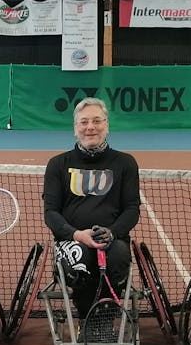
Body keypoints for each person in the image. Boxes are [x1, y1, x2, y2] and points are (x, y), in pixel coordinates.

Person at [43, 97, 141, 323]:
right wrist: (77, 235)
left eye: (97, 121)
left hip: (113, 239)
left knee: (117, 257)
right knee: (82, 259)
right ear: (75, 128)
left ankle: (105, 319)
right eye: (84, 122)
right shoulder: (57, 164)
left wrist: (112, 233)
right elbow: (51, 213)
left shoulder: (125, 163)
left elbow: (131, 209)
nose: (90, 127)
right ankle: (88, 321)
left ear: (106, 125)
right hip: (71, 241)